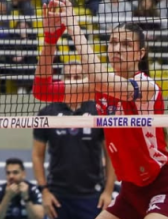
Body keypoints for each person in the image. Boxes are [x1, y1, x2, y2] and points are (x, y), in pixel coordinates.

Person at [33, 0, 168, 219]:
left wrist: (73, 26)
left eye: (126, 45)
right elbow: (43, 90)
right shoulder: (100, 87)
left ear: (140, 53)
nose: (117, 48)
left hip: (162, 189)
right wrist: (50, 40)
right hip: (130, 193)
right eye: (113, 42)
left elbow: (100, 80)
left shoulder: (145, 85)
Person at [32, 61, 116, 219]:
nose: (72, 81)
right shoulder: (47, 112)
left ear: (85, 79)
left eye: (77, 77)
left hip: (92, 195)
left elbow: (111, 154)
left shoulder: (98, 110)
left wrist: (108, 191)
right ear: (62, 81)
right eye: (68, 77)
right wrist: (44, 191)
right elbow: (37, 155)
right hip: (57, 196)